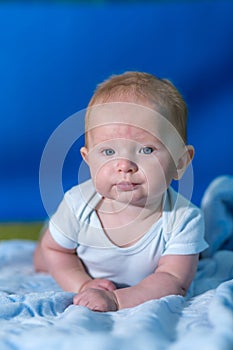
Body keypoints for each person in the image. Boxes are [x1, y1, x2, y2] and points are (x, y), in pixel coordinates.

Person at [34, 71, 208, 312]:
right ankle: (50, 227)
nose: (124, 165)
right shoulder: (78, 204)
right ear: (88, 160)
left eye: (147, 149)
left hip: (130, 285)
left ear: (180, 162)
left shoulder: (183, 219)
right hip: (77, 255)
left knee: (194, 256)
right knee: (43, 256)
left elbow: (174, 280)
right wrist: (82, 284)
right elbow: (56, 251)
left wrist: (118, 300)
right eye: (108, 152)